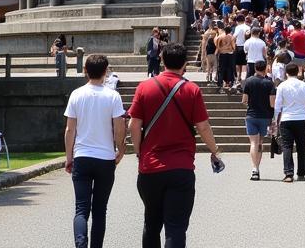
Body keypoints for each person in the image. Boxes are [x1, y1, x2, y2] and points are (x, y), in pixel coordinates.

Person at [129, 43, 222, 248]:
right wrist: (215, 151)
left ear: (161, 61)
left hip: (150, 166)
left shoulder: (145, 87)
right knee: (176, 227)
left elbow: (133, 124)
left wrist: (138, 151)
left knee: (151, 224)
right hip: (181, 167)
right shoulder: (191, 89)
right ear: (185, 64)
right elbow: (203, 127)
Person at [64, 53, 126, 248]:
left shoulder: (76, 94)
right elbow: (119, 127)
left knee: (81, 208)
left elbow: (70, 129)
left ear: (85, 71)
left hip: (82, 155)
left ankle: (80, 244)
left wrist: (69, 157)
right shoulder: (113, 96)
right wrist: (120, 149)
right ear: (106, 72)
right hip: (105, 157)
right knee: (100, 210)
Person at [273, 62, 305, 183]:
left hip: (287, 119)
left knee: (287, 146)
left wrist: (275, 121)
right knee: (301, 146)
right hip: (302, 118)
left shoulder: (282, 86)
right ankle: (301, 172)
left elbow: (277, 106)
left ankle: (288, 173)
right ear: (298, 72)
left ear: (286, 73)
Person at [240, 60, 276, 182]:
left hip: (251, 116)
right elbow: (272, 104)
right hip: (265, 117)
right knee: (260, 143)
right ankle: (257, 167)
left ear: (255, 68)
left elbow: (244, 100)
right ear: (265, 69)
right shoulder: (269, 83)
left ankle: (255, 168)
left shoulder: (249, 81)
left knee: (253, 143)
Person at [214, 24, 236, 92]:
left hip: (222, 54)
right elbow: (233, 47)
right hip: (230, 54)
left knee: (221, 69)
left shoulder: (220, 37)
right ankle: (229, 82)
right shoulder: (231, 37)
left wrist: (219, 50)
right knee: (230, 68)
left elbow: (217, 45)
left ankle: (220, 83)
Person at [232, 14, 251, 87]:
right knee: (245, 63)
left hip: (239, 46)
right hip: (247, 46)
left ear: (237, 21)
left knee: (238, 63)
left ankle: (239, 76)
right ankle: (245, 76)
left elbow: (234, 36)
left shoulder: (238, 27)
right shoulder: (248, 27)